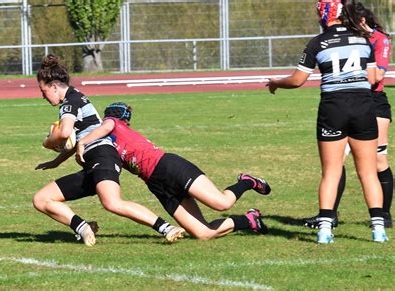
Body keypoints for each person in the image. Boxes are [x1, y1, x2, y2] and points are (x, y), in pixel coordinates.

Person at [266, 0, 388, 243]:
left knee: (331, 172)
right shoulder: (362, 39)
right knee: (368, 173)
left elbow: (298, 80)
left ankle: (324, 230)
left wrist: (276, 82)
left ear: (322, 16)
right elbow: (373, 76)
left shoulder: (318, 42)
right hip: (364, 106)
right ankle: (378, 230)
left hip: (333, 108)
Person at [32, 54, 185, 246]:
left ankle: (167, 228)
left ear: (54, 85)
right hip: (93, 162)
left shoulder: (70, 102)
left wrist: (47, 142)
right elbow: (80, 137)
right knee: (41, 199)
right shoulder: (74, 97)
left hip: (102, 156)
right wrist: (56, 162)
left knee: (112, 202)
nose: (43, 96)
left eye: (43, 91)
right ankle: (84, 227)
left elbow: (64, 133)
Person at [76, 102, 272, 240]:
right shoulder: (106, 142)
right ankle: (249, 220)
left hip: (169, 167)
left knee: (222, 203)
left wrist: (82, 142)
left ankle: (248, 181)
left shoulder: (112, 125)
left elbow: (106, 126)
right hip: (156, 184)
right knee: (203, 233)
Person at [303, 2, 393, 229]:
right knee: (336, 162)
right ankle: (329, 216)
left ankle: (383, 215)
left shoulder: (377, 39)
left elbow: (378, 76)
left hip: (373, 101)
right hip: (350, 100)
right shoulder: (348, 38)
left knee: (377, 160)